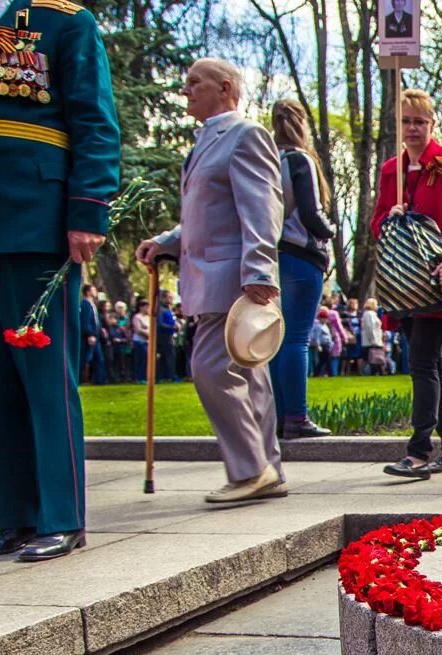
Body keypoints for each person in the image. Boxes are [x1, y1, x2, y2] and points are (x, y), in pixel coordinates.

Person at [0, 0, 121, 561]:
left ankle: (60, 516)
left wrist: (87, 209)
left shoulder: (63, 20)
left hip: (31, 215)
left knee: (43, 377)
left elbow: (94, 118)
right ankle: (12, 515)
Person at [137, 58, 286, 504]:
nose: (186, 91)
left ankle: (249, 470)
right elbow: (208, 217)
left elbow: (262, 210)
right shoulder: (207, 142)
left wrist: (259, 272)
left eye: (194, 83)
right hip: (215, 277)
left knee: (209, 369)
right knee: (249, 375)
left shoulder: (244, 135)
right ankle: (266, 468)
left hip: (232, 280)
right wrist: (167, 242)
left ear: (224, 88)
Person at [369, 88, 442, 479]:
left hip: (438, 282)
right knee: (432, 363)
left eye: (420, 120)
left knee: (421, 361)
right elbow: (375, 222)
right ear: (397, 124)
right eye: (406, 120)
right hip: (403, 284)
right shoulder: (391, 171)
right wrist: (389, 219)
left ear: (432, 123)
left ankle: (418, 452)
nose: (413, 128)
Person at [270, 99, 336, 437]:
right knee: (296, 338)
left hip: (271, 255)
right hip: (301, 253)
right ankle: (297, 416)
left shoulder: (267, 159)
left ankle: (279, 416)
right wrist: (330, 231)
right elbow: (310, 212)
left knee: (275, 340)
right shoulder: (300, 160)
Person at [80, 285, 108, 386]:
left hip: (96, 336)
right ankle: (79, 378)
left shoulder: (92, 304)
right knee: (86, 358)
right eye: (93, 290)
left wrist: (100, 330)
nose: (95, 291)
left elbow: (95, 320)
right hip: (90, 336)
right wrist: (90, 334)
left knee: (99, 358)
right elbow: (85, 321)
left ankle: (99, 380)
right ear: (87, 292)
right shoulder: (85, 304)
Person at [156, 290, 178, 382]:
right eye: (168, 297)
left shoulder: (168, 309)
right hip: (163, 336)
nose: (170, 300)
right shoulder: (161, 310)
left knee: (170, 356)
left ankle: (168, 375)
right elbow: (160, 323)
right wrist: (173, 327)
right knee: (168, 356)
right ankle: (169, 376)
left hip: (169, 335)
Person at [360, 298, 386, 374]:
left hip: (370, 340)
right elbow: (370, 328)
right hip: (371, 341)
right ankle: (365, 371)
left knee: (370, 358)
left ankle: (371, 371)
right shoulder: (369, 314)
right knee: (372, 358)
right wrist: (373, 340)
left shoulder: (369, 314)